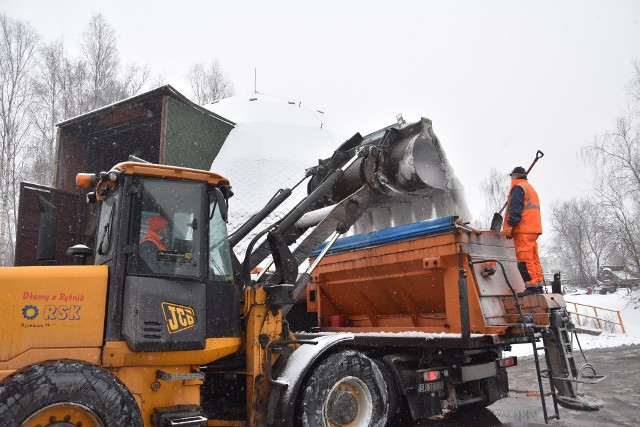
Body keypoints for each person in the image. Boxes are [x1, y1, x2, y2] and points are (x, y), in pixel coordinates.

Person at [503, 166, 543, 297]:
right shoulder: (530, 189)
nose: (511, 179)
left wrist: (509, 227)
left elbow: (515, 211)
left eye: (511, 176)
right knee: (533, 259)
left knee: (524, 259)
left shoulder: (518, 188)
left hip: (523, 229)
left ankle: (531, 286)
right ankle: (537, 285)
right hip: (533, 229)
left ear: (515, 175)